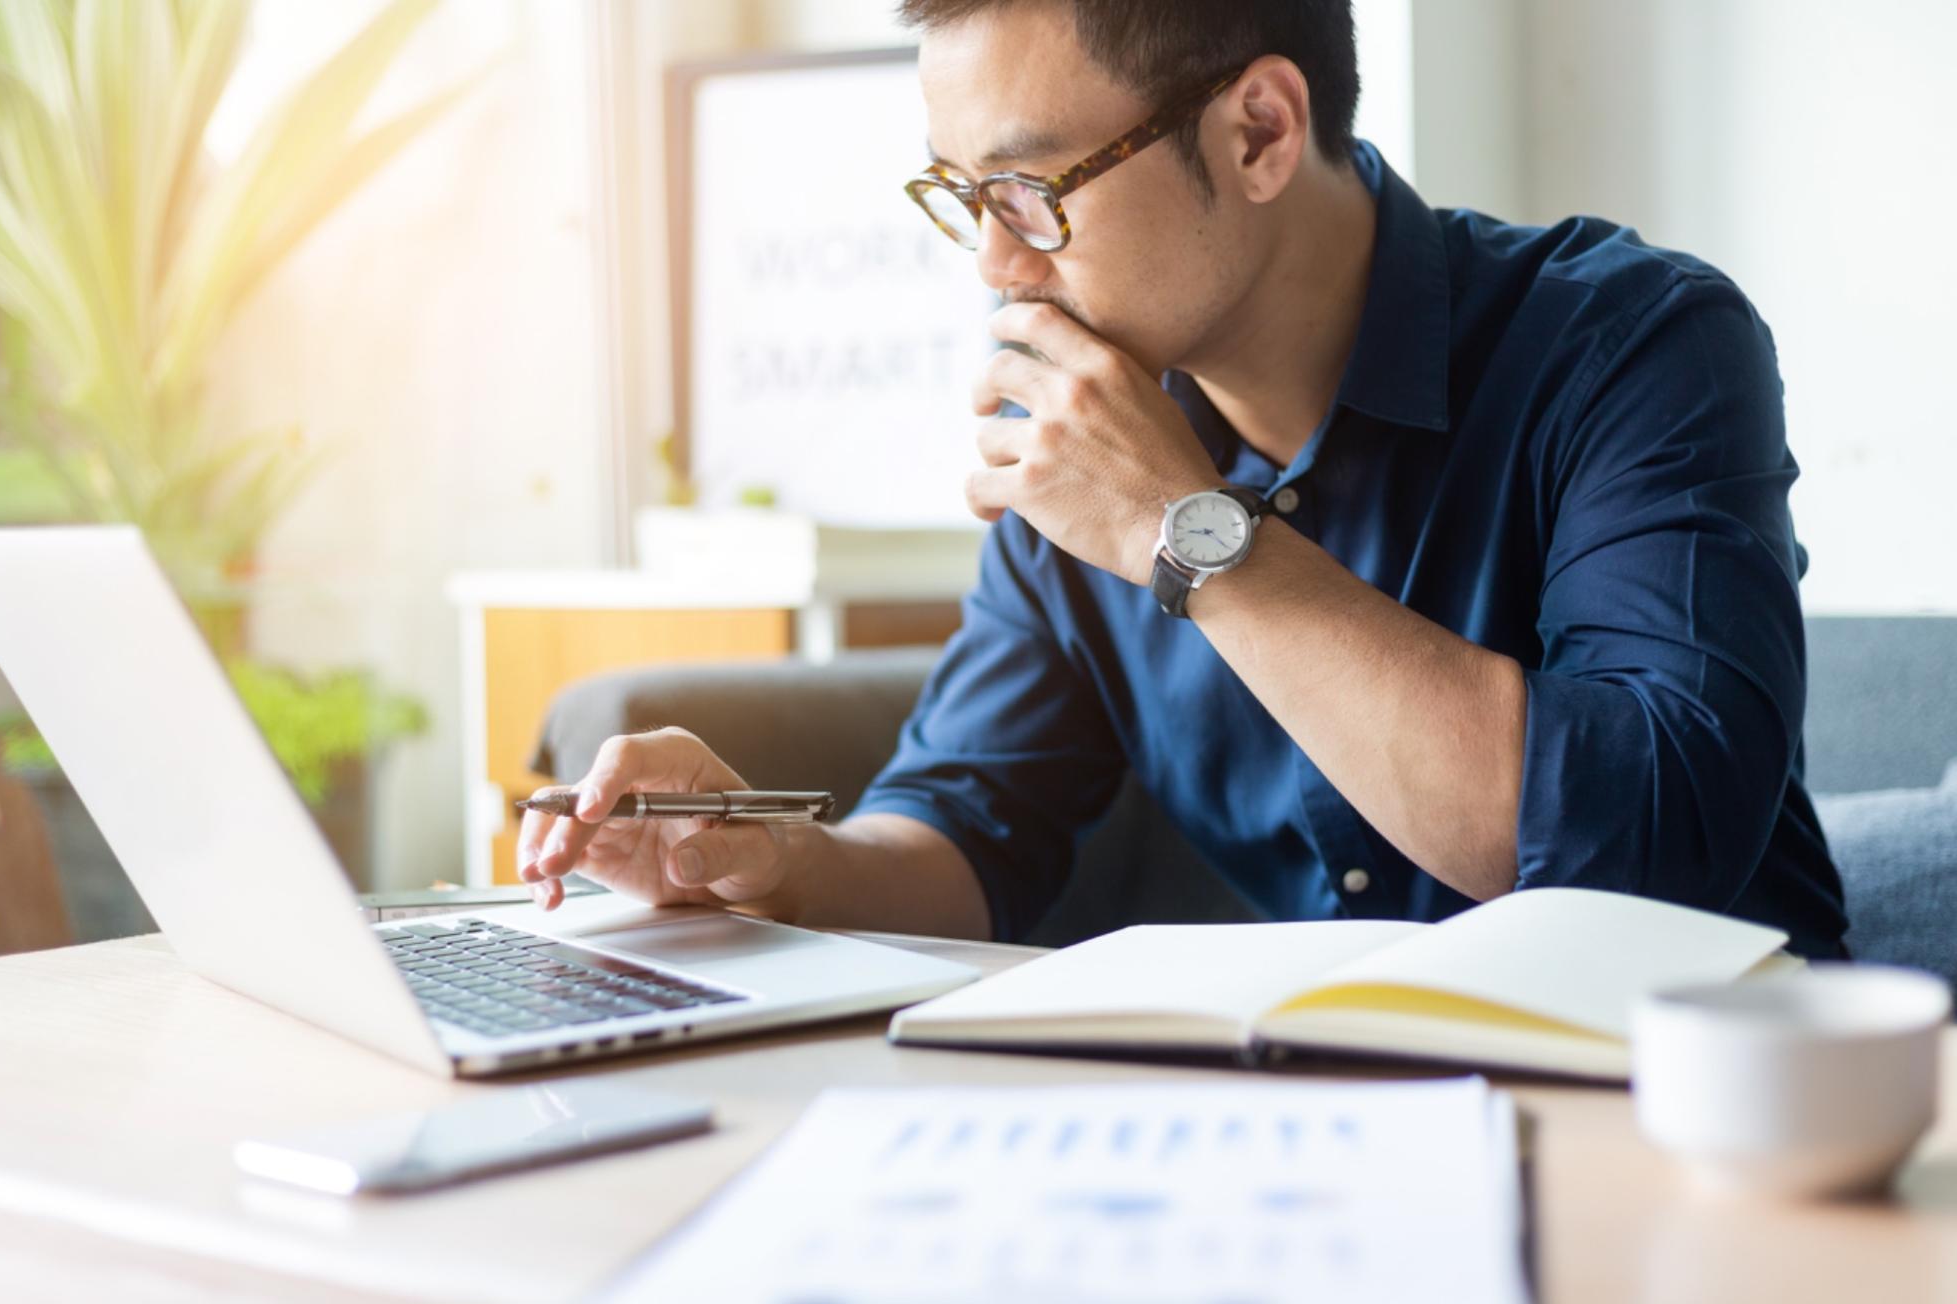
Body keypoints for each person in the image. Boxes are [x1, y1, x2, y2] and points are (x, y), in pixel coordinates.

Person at [519, 0, 1847, 958]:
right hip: (1338, 1136)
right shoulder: (1093, 429)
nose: (992, 264)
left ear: (1261, 130)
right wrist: (767, 858)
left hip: (1705, 1129)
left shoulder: (1637, 346)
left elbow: (1643, 832)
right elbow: (971, 825)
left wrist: (1179, 529)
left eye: (1031, 190)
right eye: (957, 195)